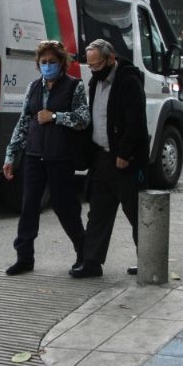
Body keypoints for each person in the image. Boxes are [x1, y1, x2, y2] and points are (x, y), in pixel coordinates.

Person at [2, 40, 91, 276]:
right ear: (38, 64)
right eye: (44, 62)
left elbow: (83, 118)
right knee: (29, 205)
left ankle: (84, 252)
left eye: (52, 62)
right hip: (34, 155)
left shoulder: (74, 86)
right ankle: (24, 257)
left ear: (62, 63)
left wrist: (55, 117)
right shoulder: (33, 87)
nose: (48, 66)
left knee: (65, 206)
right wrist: (10, 156)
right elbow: (23, 123)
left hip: (60, 156)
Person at [69, 39, 148, 278]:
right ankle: (91, 262)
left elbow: (135, 122)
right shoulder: (96, 81)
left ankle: (148, 260)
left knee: (136, 212)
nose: (93, 70)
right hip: (101, 157)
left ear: (110, 58)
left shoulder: (128, 81)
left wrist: (125, 153)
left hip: (125, 159)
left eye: (96, 64)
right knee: (99, 211)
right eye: (90, 66)